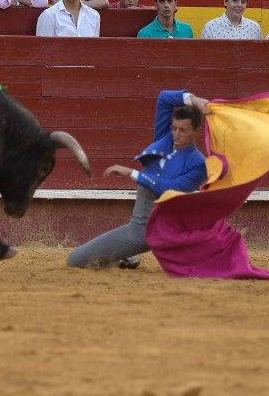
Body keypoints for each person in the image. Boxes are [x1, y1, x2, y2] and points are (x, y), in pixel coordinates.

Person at [66, 90, 209, 269]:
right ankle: (127, 255)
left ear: (197, 132)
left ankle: (132, 253)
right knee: (79, 258)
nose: (176, 135)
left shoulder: (199, 164)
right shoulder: (165, 140)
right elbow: (164, 98)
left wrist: (132, 174)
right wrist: (193, 100)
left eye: (183, 130)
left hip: (153, 231)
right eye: (174, 128)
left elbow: (170, 190)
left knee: (76, 260)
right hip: (142, 226)